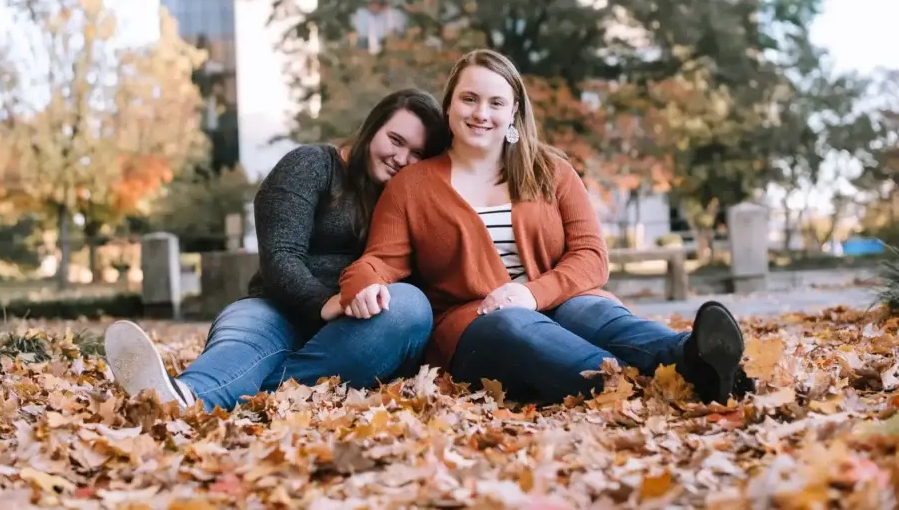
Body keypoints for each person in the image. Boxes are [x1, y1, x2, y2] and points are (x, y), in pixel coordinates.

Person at [339, 50, 753, 406]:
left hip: (561, 302)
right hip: (476, 327)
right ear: (449, 107)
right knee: (514, 325)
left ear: (513, 112)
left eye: (496, 103)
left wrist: (531, 293)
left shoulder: (551, 171)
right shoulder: (412, 185)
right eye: (469, 99)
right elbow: (379, 261)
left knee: (598, 313)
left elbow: (591, 256)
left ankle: (692, 358)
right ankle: (640, 384)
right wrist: (361, 284)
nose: (481, 113)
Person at [105, 88, 450, 411]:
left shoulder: (413, 200)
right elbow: (280, 256)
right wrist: (325, 304)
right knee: (243, 342)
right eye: (395, 140)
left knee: (410, 308)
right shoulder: (312, 165)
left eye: (417, 153)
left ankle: (236, 392)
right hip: (275, 307)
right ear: (372, 128)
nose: (401, 158)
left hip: (356, 331)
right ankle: (182, 398)